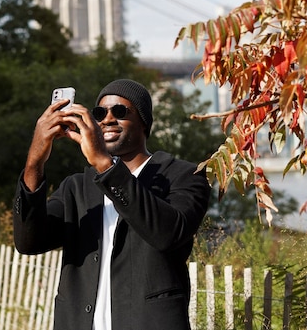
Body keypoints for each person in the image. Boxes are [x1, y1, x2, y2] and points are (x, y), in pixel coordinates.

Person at [13, 79, 211, 330]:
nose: (107, 119)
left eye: (119, 111)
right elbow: (29, 242)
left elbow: (168, 234)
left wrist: (105, 165)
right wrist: (35, 162)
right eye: (99, 113)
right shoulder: (78, 187)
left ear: (144, 122)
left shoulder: (184, 175)